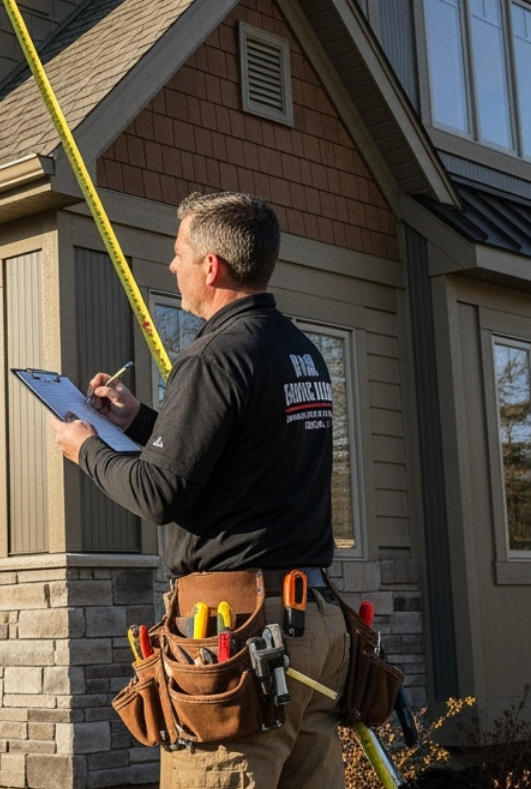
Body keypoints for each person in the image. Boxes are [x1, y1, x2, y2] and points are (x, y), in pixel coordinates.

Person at [49, 191, 348, 789]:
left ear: (211, 266)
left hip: (235, 632)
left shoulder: (213, 355)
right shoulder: (298, 351)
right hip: (316, 625)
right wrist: (136, 421)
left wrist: (87, 448)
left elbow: (160, 491)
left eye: (179, 252)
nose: (171, 265)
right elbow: (233, 461)